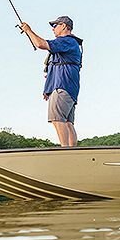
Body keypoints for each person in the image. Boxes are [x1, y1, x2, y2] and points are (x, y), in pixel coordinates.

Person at [20, 16, 83, 147]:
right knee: (68, 122)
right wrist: (48, 90)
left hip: (62, 86)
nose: (53, 28)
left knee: (57, 119)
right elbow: (55, 68)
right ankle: (72, 152)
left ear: (64, 26)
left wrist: (28, 30)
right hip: (69, 88)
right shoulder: (71, 44)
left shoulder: (66, 41)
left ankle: (65, 151)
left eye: (55, 25)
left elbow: (41, 44)